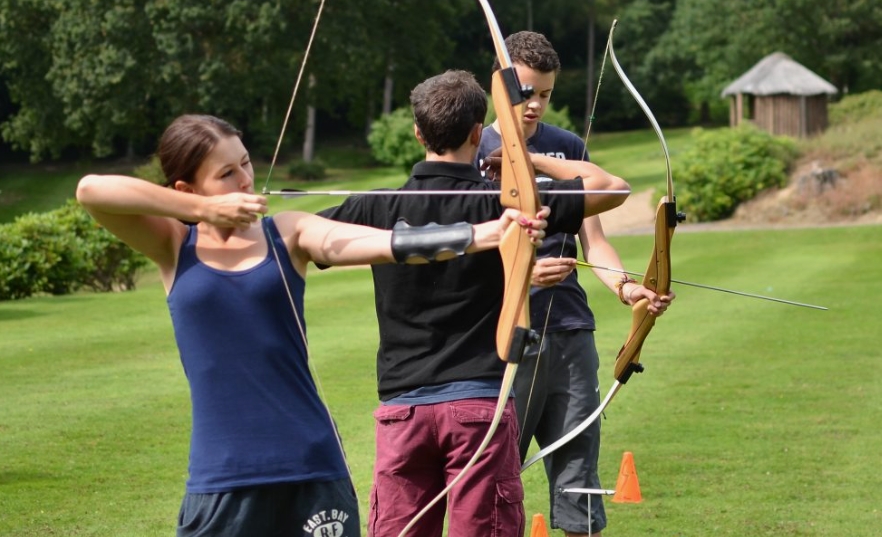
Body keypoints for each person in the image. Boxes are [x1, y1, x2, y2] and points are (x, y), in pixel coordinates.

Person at [75, 114, 550, 537]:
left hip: (311, 467)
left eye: (245, 163)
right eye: (226, 174)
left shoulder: (288, 231)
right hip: (222, 476)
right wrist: (204, 213)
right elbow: (92, 191)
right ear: (186, 190)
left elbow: (389, 244)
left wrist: (486, 233)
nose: (245, 179)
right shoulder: (173, 245)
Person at [318, 69, 631, 537]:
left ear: (417, 132)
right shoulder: (505, 206)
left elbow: (298, 237)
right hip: (479, 409)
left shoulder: (376, 207)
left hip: (403, 412)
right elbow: (612, 187)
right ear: (476, 133)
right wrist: (529, 160)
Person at [477, 31, 675, 537]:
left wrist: (629, 289)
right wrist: (521, 274)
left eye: (545, 93)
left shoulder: (567, 149)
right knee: (496, 486)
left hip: (569, 330)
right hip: (505, 335)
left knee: (580, 483)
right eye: (525, 91)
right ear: (498, 86)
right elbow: (460, 256)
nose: (535, 104)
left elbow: (596, 241)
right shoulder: (471, 148)